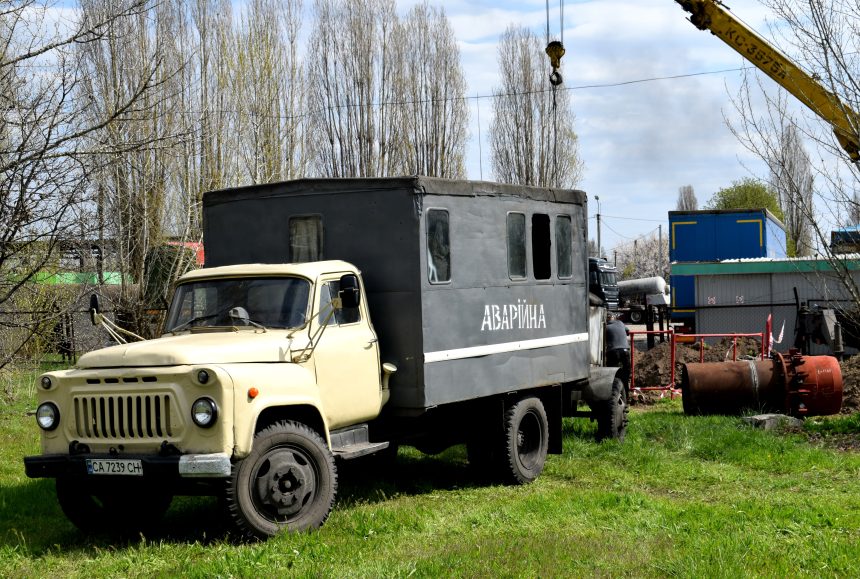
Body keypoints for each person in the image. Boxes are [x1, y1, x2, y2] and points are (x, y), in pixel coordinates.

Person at [604, 313, 630, 384]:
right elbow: (628, 331)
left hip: (612, 351)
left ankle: (613, 385)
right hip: (624, 350)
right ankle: (625, 387)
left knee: (611, 372)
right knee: (626, 371)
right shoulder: (620, 323)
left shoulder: (605, 327)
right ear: (614, 318)